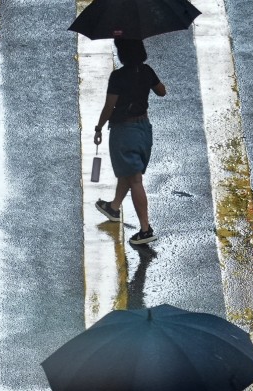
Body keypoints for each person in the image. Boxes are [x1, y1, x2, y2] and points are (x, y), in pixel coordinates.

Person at [92, 38, 167, 246]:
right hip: (144, 130)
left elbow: (109, 107)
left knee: (135, 179)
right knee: (131, 171)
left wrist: (98, 128)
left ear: (122, 54)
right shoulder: (147, 71)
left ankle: (145, 229)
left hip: (124, 131)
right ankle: (114, 207)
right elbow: (162, 91)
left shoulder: (117, 76)